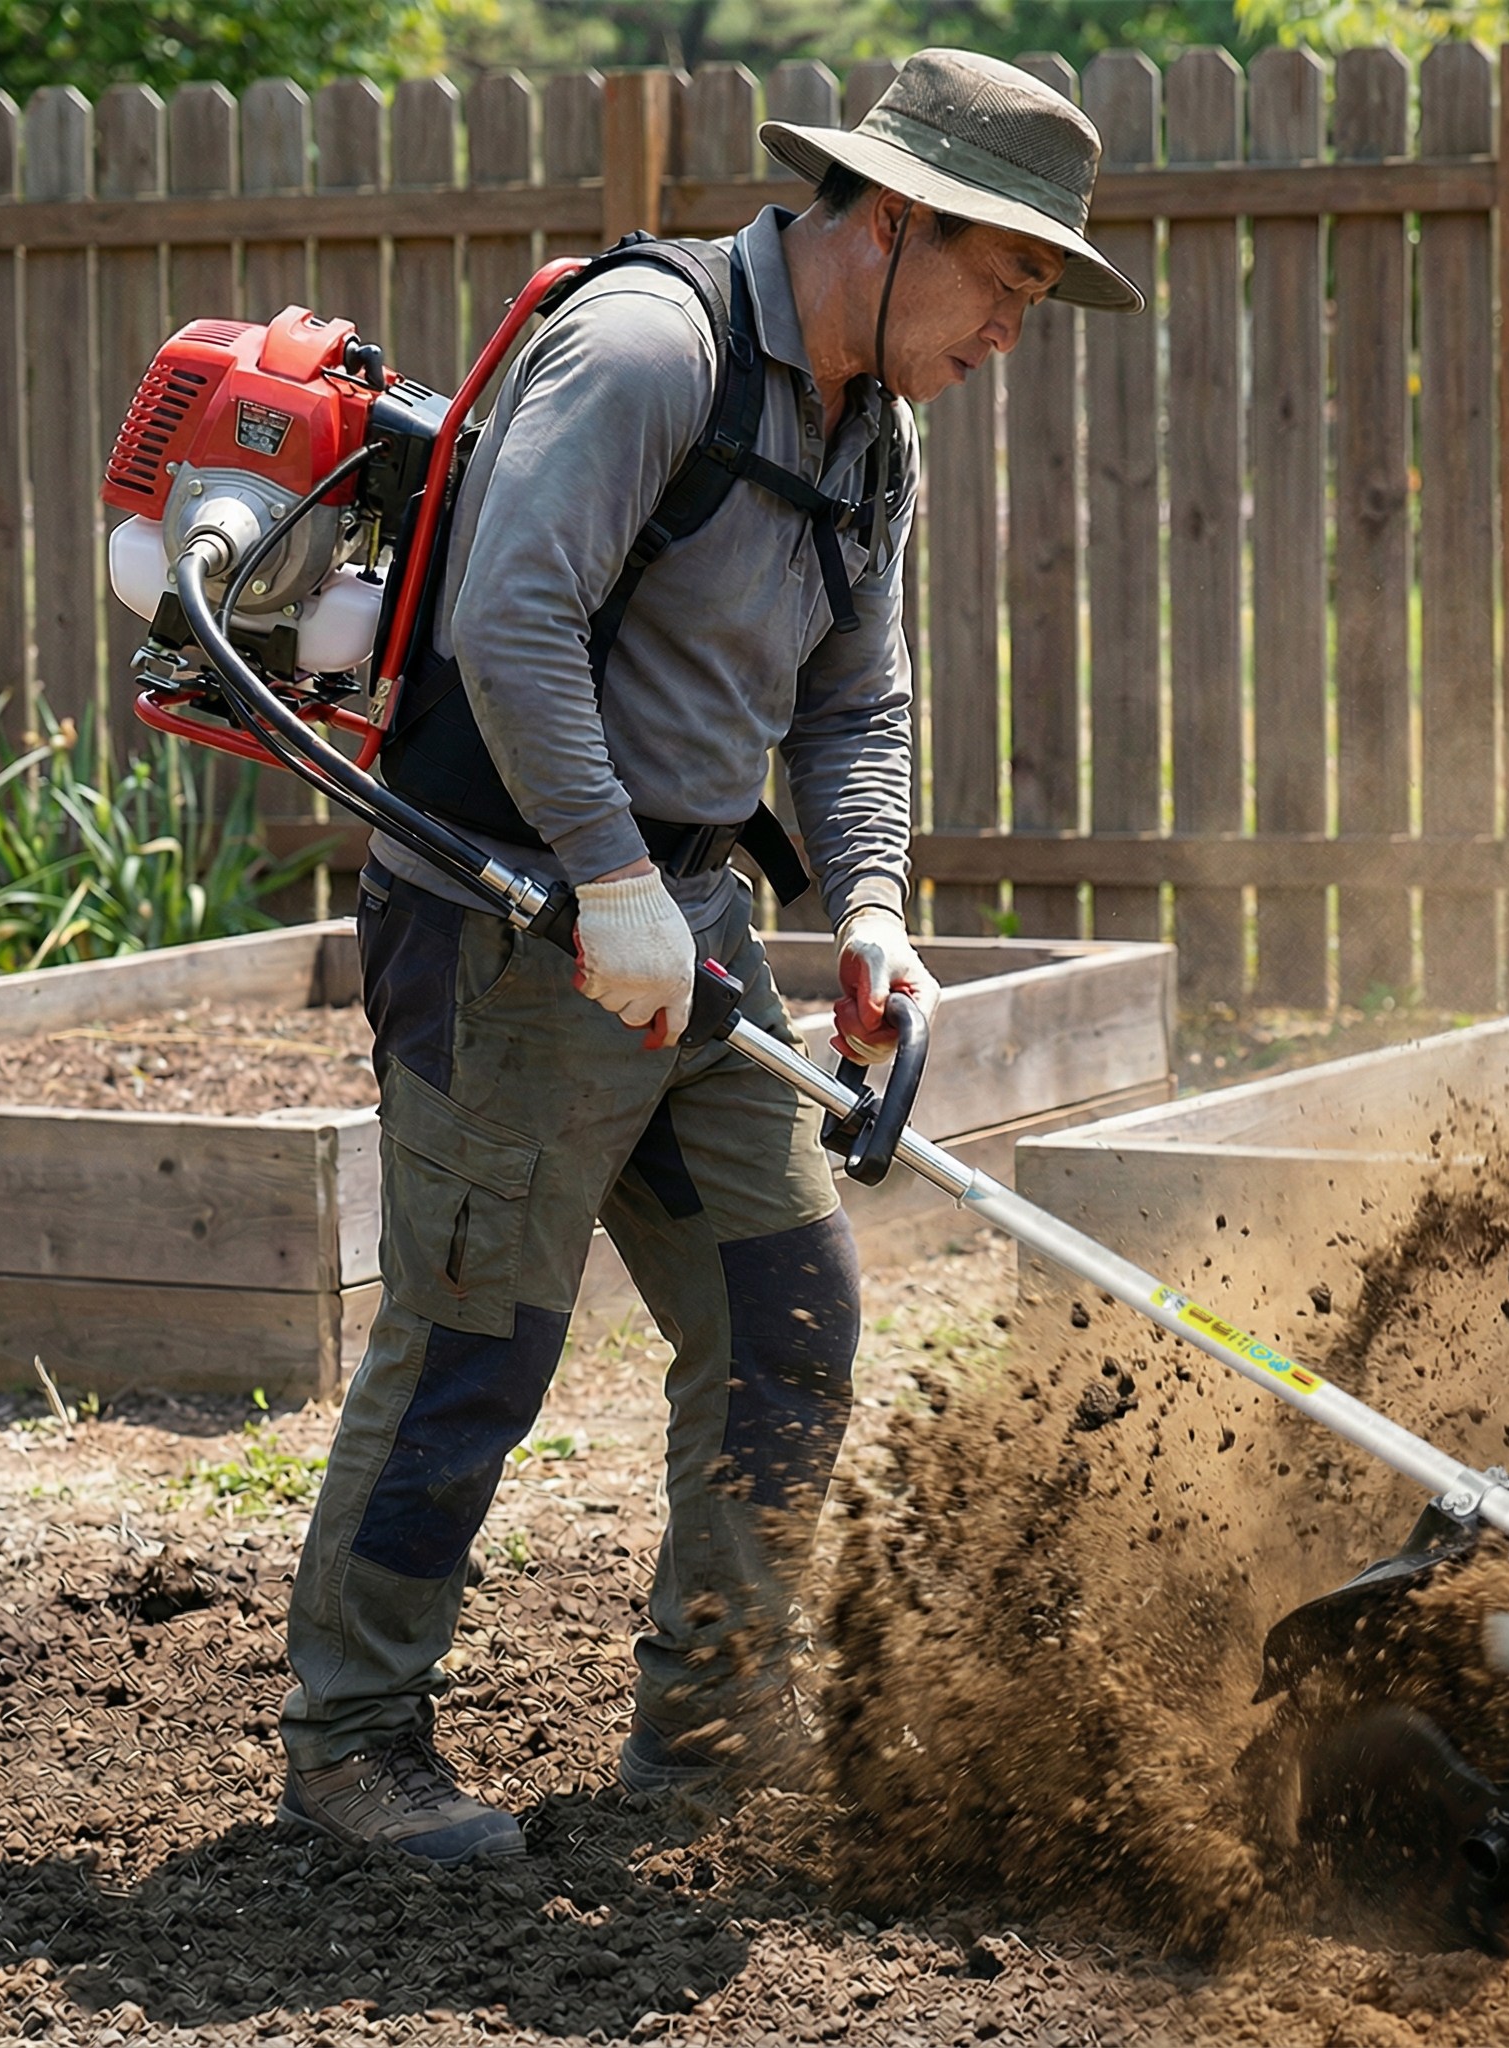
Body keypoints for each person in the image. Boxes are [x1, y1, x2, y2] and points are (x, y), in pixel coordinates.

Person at [274, 49, 1144, 1865]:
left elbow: (855, 703)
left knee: (785, 1322)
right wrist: (605, 878)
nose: (1011, 331)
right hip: (509, 920)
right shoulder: (649, 350)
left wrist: (874, 909)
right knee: (470, 1349)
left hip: (691, 928)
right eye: (1006, 280)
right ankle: (353, 1750)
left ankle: (714, 1726)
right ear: (893, 222)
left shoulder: (870, 432)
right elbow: (514, 617)